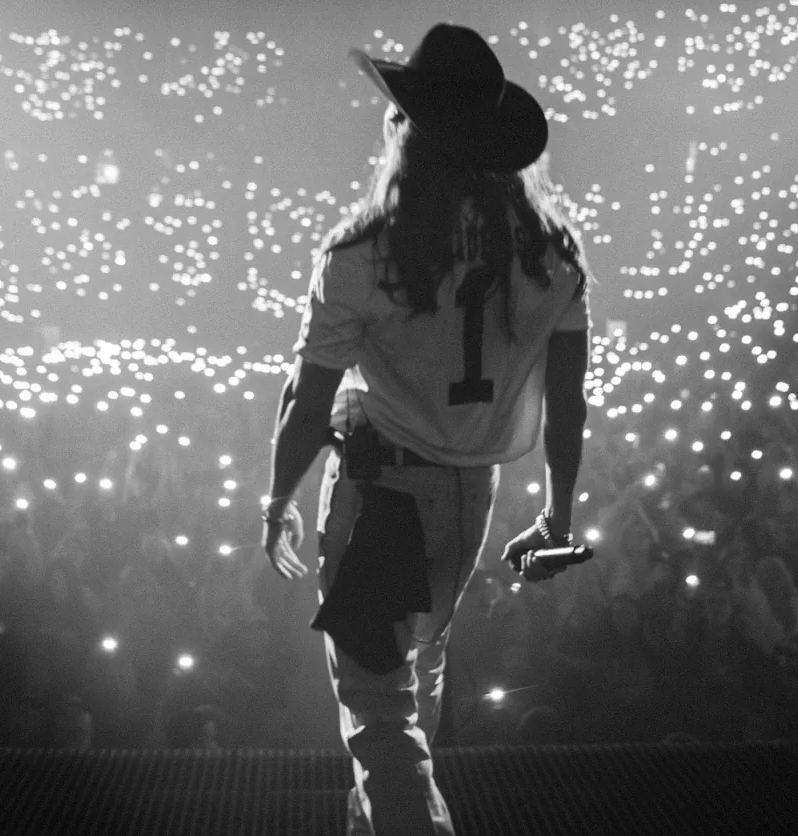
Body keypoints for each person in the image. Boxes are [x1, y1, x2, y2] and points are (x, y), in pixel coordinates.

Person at [260, 23, 593, 836]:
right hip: (471, 495)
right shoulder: (552, 254)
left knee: (378, 714)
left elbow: (310, 397)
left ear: (406, 134)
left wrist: (277, 501)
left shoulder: (364, 255)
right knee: (421, 670)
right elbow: (568, 399)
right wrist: (558, 514)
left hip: (382, 495)